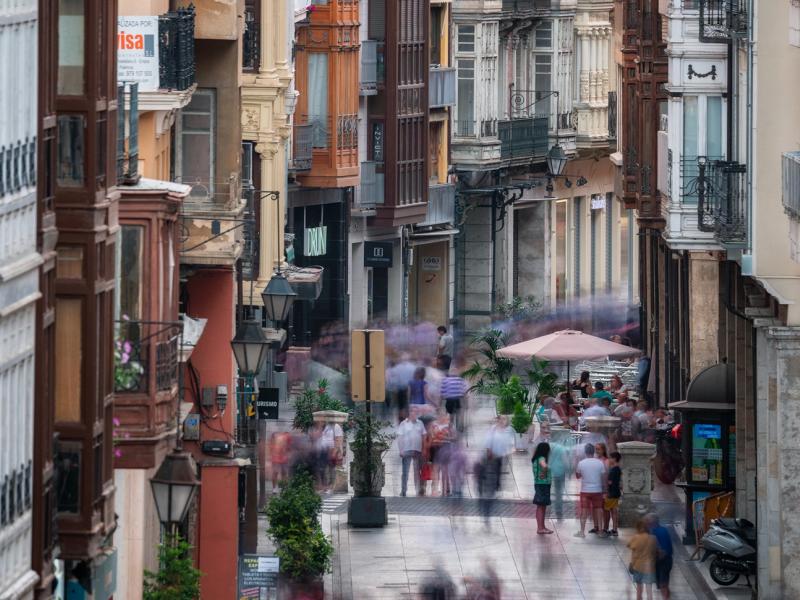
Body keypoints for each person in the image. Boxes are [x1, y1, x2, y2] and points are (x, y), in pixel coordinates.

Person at [574, 443, 607, 538]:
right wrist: (604, 490)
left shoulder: (581, 463)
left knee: (584, 511)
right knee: (599, 510)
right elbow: (603, 477)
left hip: (585, 491)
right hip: (597, 490)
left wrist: (576, 462)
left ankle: (582, 532)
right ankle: (600, 531)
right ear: (593, 452)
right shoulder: (600, 463)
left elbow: (577, 476)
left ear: (585, 452)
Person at [397, 407, 426, 496]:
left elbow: (424, 435)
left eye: (415, 412)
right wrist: (401, 449)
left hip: (418, 450)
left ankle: (418, 490)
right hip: (406, 449)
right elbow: (400, 437)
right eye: (412, 412)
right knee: (405, 472)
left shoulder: (420, 423)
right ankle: (403, 491)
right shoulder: (403, 424)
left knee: (417, 471)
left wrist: (424, 448)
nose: (414, 414)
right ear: (409, 413)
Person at [645, 513, 674, 599]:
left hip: (663, 562)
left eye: (647, 521)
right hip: (660, 562)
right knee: (663, 585)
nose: (646, 523)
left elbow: (663, 551)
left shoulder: (660, 532)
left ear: (653, 522)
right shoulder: (654, 531)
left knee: (663, 585)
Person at [628, 519, 658, 600]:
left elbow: (630, 547)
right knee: (649, 590)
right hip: (649, 567)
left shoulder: (636, 538)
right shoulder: (653, 538)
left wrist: (631, 563)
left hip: (638, 566)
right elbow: (656, 552)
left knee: (639, 590)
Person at [531, 442, 553, 534]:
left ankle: (542, 526)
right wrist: (544, 472)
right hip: (543, 484)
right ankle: (540, 528)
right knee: (541, 506)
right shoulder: (541, 458)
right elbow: (544, 466)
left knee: (542, 506)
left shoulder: (536, 458)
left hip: (540, 484)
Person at [548, 442, 570, 519]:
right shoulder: (562, 449)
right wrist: (569, 470)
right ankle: (558, 510)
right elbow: (565, 462)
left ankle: (548, 508)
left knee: (549, 491)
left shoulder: (550, 445)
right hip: (560, 472)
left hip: (550, 471)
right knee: (559, 493)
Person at [604, 451, 622, 536]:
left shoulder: (613, 470)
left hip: (612, 493)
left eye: (611, 458)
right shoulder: (618, 469)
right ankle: (615, 529)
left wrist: (606, 490)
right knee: (614, 511)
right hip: (616, 492)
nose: (609, 459)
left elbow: (610, 482)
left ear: (614, 459)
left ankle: (612, 529)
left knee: (610, 510)